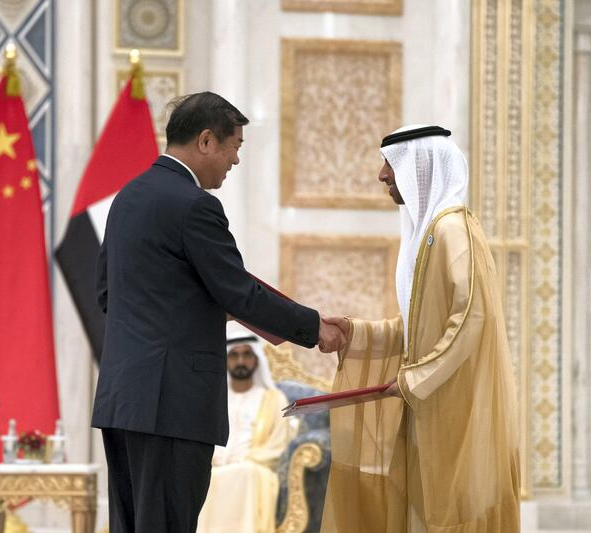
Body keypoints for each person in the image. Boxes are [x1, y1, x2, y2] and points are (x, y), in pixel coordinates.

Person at [92, 91, 344, 533]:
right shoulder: (196, 205)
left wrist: (195, 305)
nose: (235, 160)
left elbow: (108, 294)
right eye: (234, 147)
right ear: (206, 141)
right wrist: (313, 327)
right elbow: (239, 292)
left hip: (124, 398)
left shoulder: (127, 197)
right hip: (172, 402)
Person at [321, 126, 520, 532]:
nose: (382, 175)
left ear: (420, 167)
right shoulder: (431, 233)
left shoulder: (452, 230)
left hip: (451, 405)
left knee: (448, 512)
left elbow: (471, 318)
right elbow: (420, 329)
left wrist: (417, 378)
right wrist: (357, 333)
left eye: (390, 164)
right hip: (427, 403)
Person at [197, 322, 297, 532]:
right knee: (199, 475)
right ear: (226, 360)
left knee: (245, 473)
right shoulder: (213, 399)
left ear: (256, 359)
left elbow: (276, 445)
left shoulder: (273, 399)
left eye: (246, 355)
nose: (240, 361)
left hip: (253, 469)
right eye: (234, 355)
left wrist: (241, 461)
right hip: (214, 466)